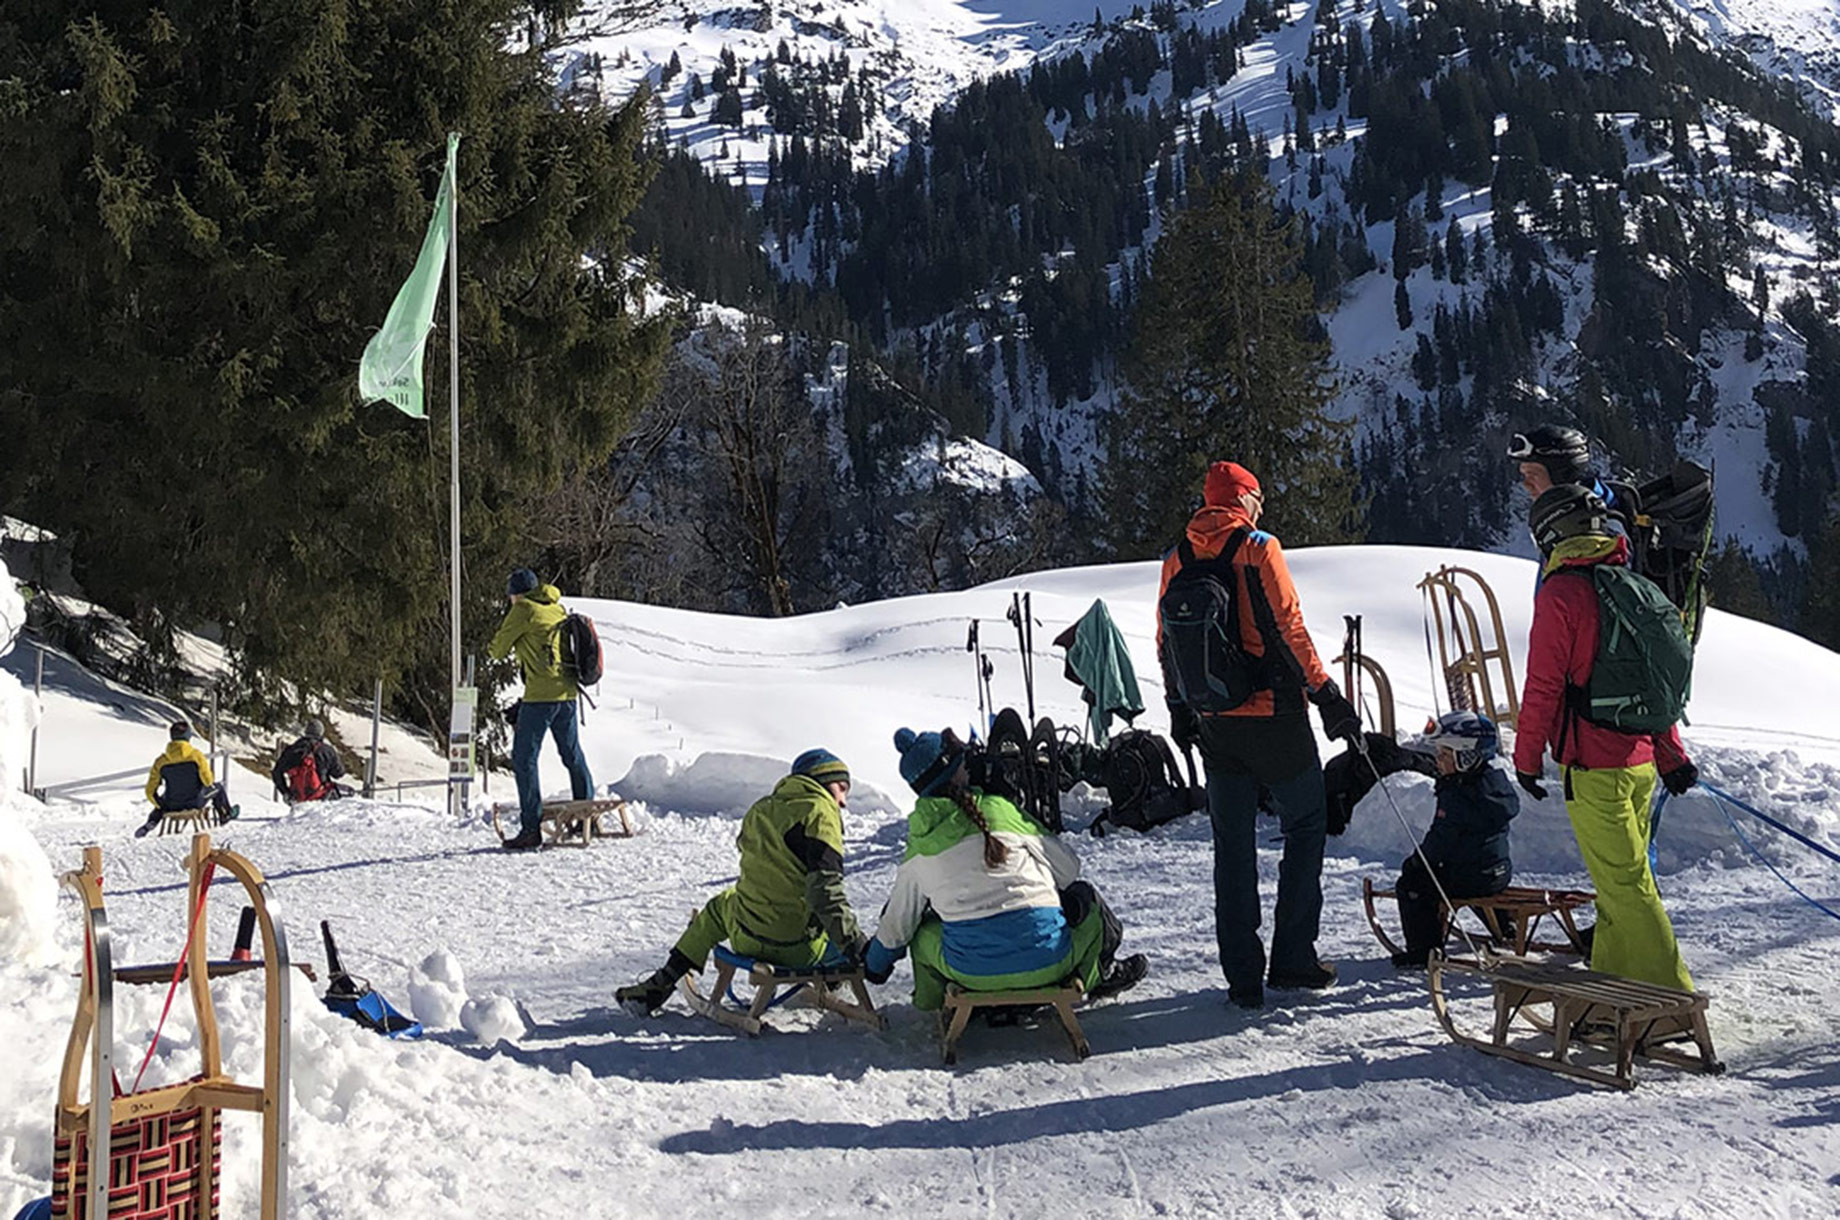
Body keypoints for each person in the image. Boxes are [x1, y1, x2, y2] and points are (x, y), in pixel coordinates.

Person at [1157, 460, 1360, 1008]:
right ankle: (1293, 958)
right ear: (1242, 499)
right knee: (1306, 822)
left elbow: (1165, 643)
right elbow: (1288, 626)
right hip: (1275, 717)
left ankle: (1242, 975)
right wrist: (1326, 695)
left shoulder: (1177, 558)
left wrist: (1179, 710)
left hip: (1215, 722)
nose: (1261, 507)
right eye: (1257, 497)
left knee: (1233, 845)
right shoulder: (1258, 547)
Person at [1512, 483, 1698, 990]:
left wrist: (1526, 759)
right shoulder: (1628, 585)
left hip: (1594, 768)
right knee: (1614, 887)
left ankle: (1668, 1000)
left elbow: (1544, 686)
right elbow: (1651, 682)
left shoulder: (1561, 595)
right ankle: (1613, 993)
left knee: (1625, 887)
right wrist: (1670, 755)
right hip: (1638, 764)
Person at [862, 727, 1148, 1011]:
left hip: (971, 974)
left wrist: (875, 966)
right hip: (1048, 962)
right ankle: (1098, 975)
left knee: (922, 931)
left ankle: (940, 1003)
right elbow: (1069, 870)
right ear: (955, 770)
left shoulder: (919, 844)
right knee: (1085, 899)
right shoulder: (1001, 809)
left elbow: (897, 925)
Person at [616, 749, 866, 1015]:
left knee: (721, 905)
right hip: (796, 947)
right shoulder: (820, 812)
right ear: (822, 781)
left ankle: (662, 982)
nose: (843, 802)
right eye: (842, 788)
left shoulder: (761, 808)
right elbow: (824, 894)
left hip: (746, 937)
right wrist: (857, 944)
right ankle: (833, 985)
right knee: (833, 925)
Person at [1390, 711, 1517, 969]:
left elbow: (1440, 840)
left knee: (1414, 884)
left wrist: (1416, 862)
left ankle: (1423, 950)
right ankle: (1506, 926)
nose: (1438, 760)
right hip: (1499, 873)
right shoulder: (1495, 783)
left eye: (1445, 754)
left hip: (1467, 877)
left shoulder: (1457, 795)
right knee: (1477, 873)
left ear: (1466, 756)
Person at [489, 567, 594, 851]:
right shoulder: (556, 607)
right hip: (569, 694)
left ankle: (530, 829)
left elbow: (497, 650)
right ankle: (588, 818)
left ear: (516, 594)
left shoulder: (523, 609)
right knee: (572, 754)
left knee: (524, 759)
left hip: (540, 697)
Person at [137, 719, 238, 837]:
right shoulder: (196, 756)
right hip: (195, 801)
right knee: (218, 788)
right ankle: (225, 815)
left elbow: (150, 791)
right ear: (188, 737)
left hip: (172, 804)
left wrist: (161, 805)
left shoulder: (161, 761)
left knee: (163, 798)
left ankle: (152, 821)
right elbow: (208, 781)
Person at [271, 718, 349, 804]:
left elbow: (276, 772)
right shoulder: (326, 750)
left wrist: (286, 792)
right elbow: (339, 773)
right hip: (321, 796)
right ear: (321, 733)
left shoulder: (292, 749)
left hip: (298, 798)